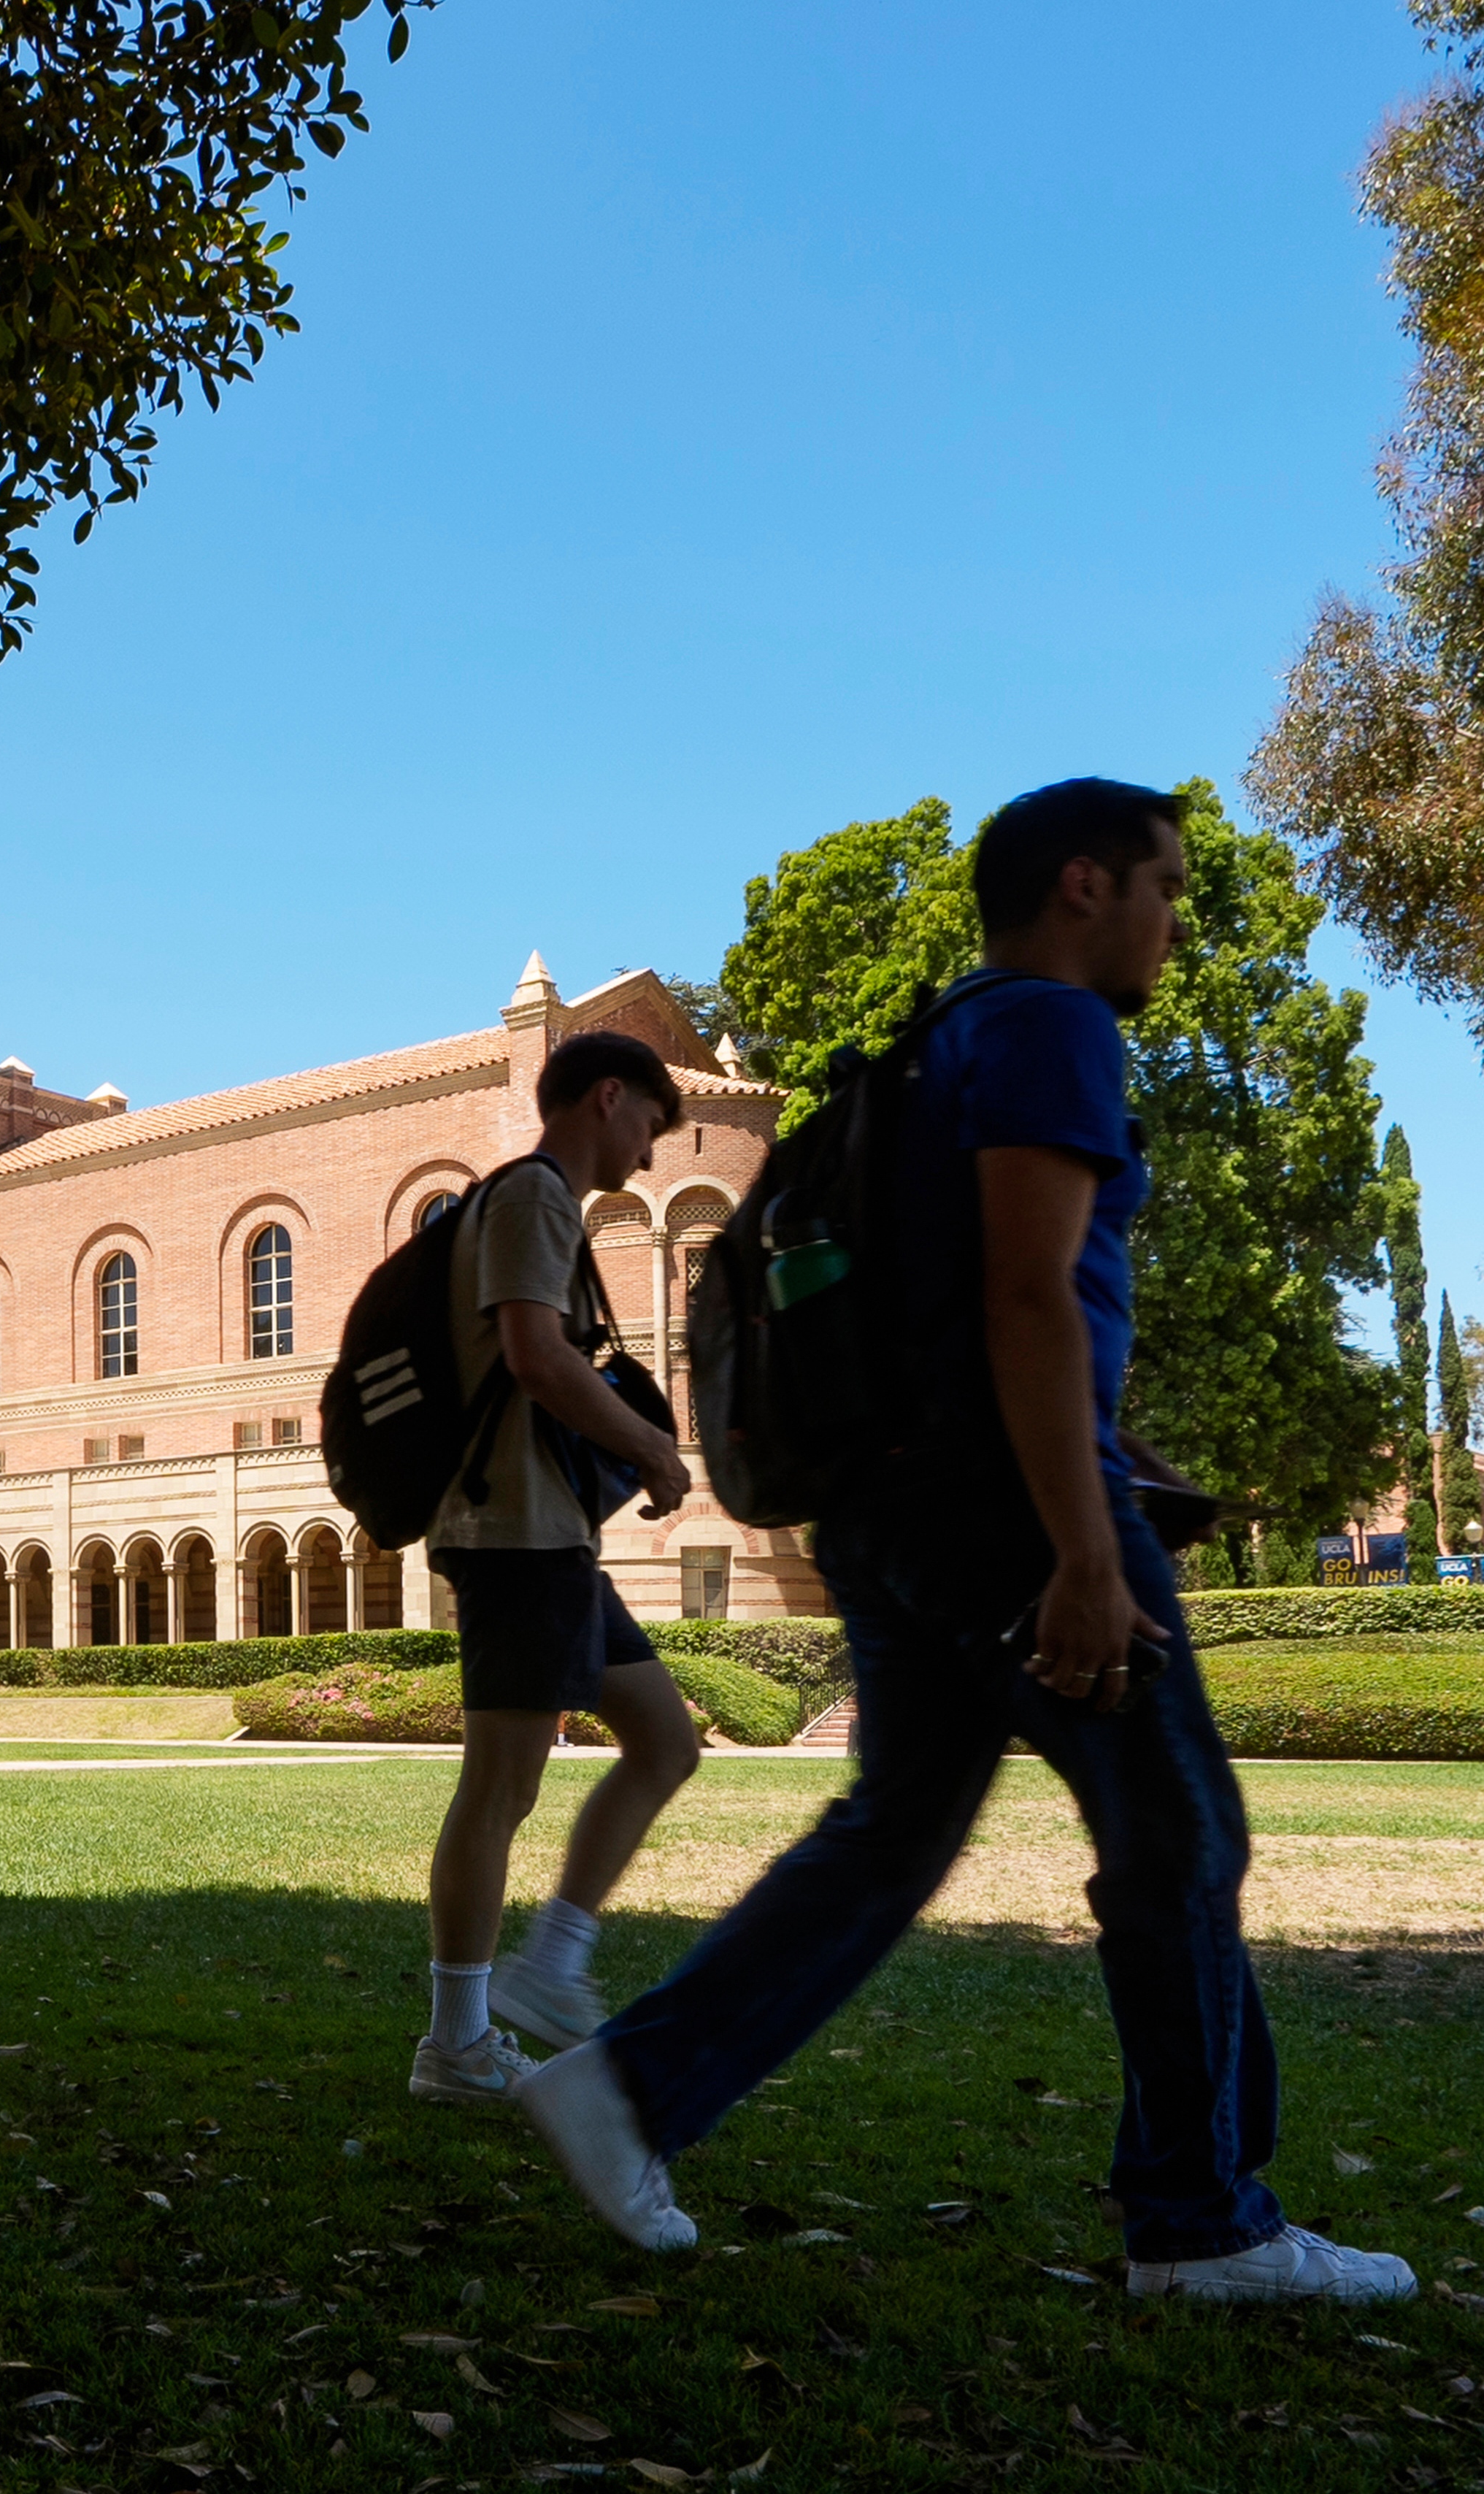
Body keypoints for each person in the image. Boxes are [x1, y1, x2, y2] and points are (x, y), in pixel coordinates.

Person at [520, 778, 1411, 2305]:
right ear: (1082, 884)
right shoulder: (1051, 1026)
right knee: (1178, 1834)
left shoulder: (933, 1042)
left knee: (895, 1828)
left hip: (886, 1504)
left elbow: (963, 1303)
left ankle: (629, 2088)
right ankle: (1199, 2221)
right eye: (1162, 886)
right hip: (1007, 1510)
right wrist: (1081, 1540)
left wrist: (1104, 1446)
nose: (1174, 920)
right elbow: (1024, 1295)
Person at [404, 1032, 704, 2103]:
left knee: (666, 1740)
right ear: (607, 1097)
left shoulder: (541, 1205)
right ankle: (457, 2041)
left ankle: (552, 1962)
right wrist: (653, 1445)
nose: (652, 1152)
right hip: (514, 1536)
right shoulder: (533, 1196)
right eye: (650, 1126)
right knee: (500, 1788)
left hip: (553, 1539)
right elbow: (536, 1355)